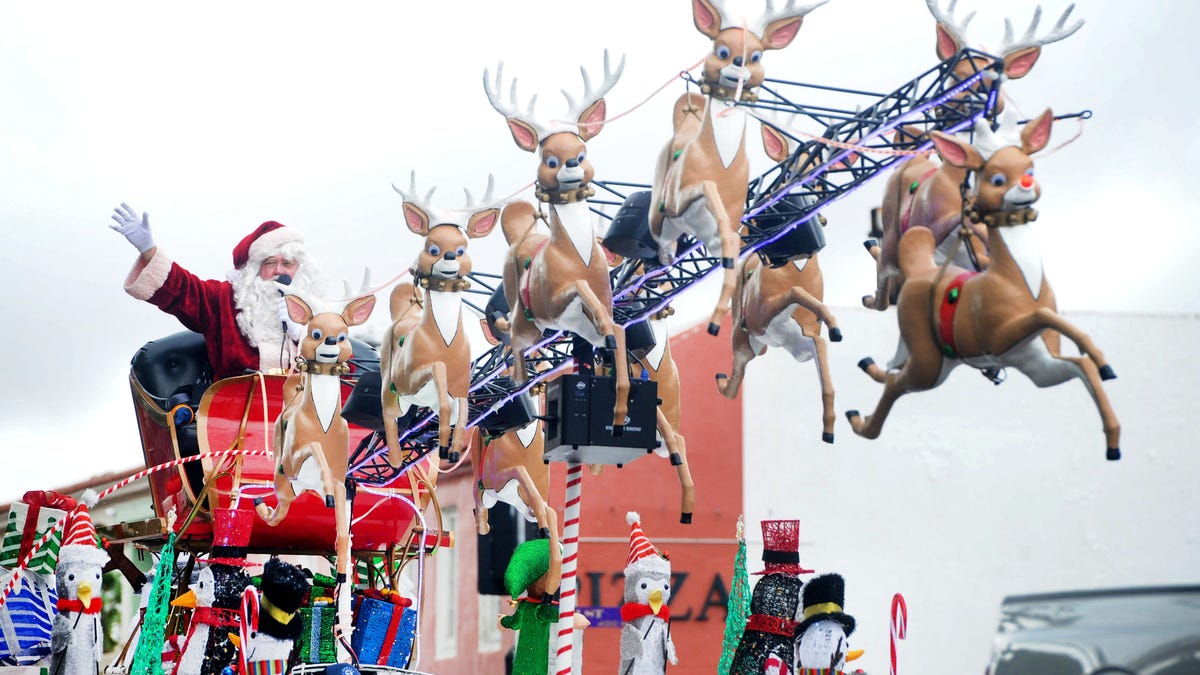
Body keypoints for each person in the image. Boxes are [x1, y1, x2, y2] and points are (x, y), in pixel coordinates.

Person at [110, 202, 324, 379]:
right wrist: (149, 250)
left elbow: (338, 372)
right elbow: (184, 290)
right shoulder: (225, 300)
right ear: (255, 268)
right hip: (236, 410)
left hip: (302, 412)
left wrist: (304, 336)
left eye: (287, 263)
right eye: (270, 263)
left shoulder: (320, 314)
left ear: (299, 269)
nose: (279, 271)